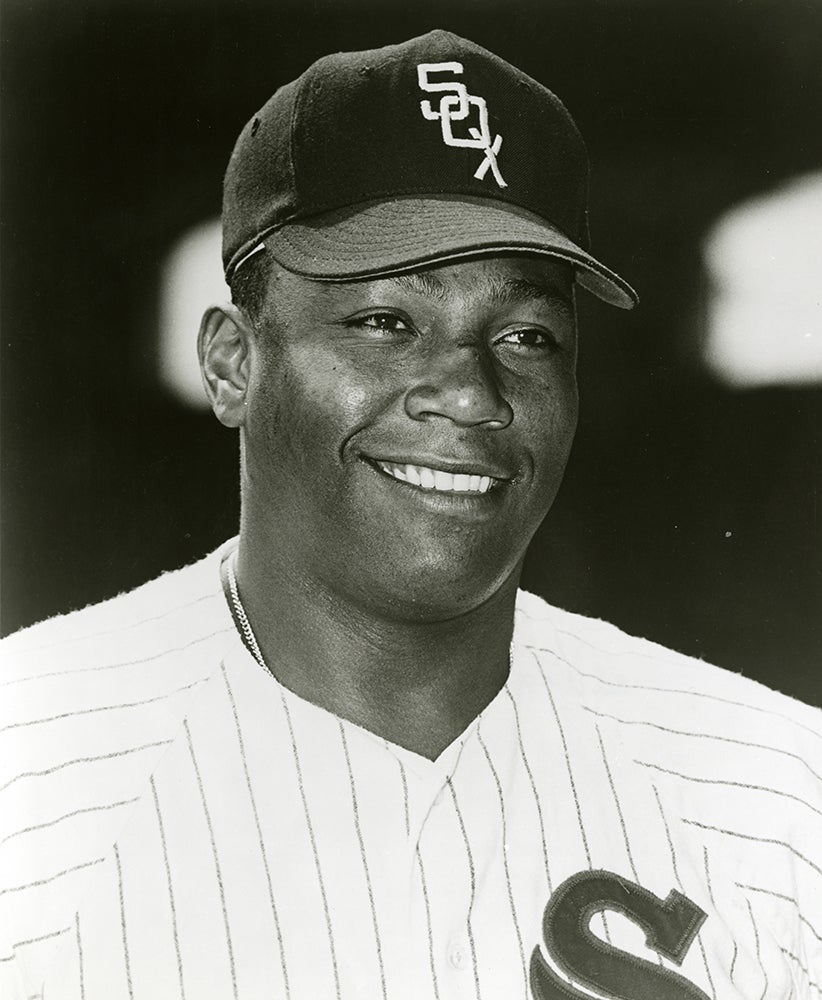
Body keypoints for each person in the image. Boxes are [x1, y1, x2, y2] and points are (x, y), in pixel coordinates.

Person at [1, 29, 819, 1000]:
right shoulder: (30, 771)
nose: (470, 394)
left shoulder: (774, 790)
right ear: (231, 361)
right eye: (385, 322)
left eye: (525, 335)